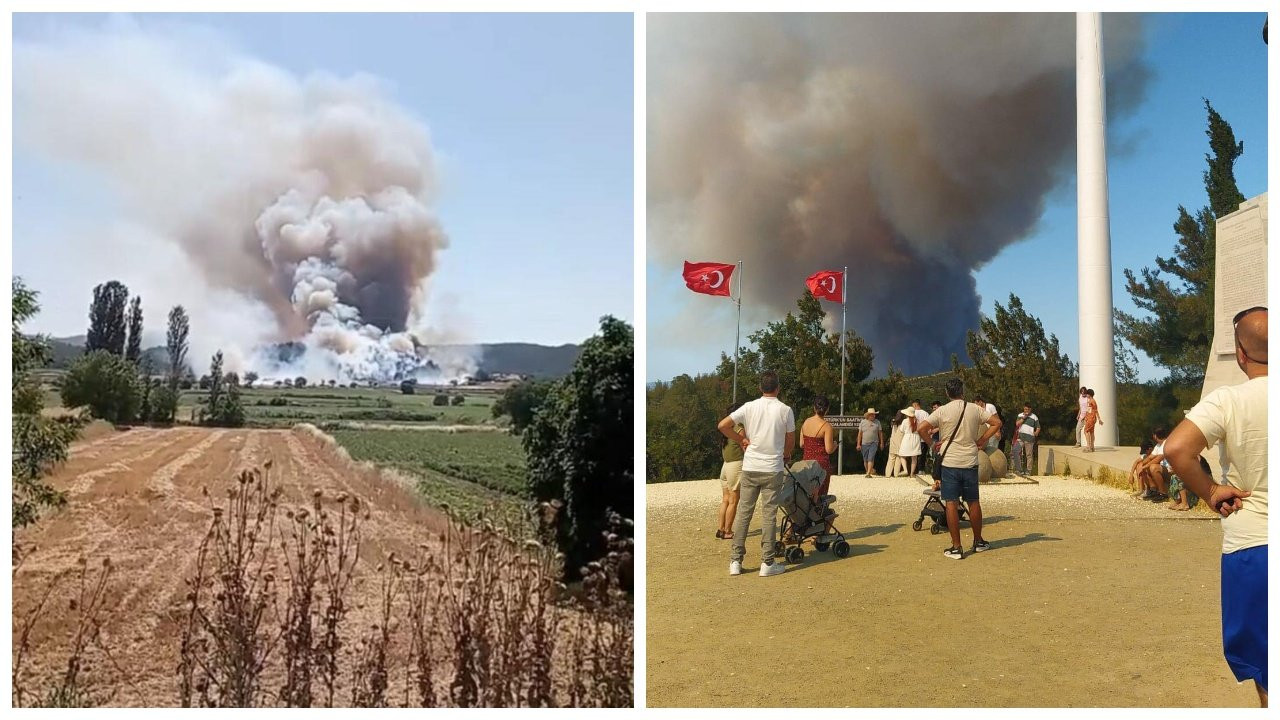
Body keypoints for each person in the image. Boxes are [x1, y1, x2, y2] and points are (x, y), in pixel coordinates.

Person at [1162, 305, 1267, 707]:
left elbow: (1176, 449)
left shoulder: (1227, 400)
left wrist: (1210, 491)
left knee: (1266, 664)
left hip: (1253, 544)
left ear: (1240, 354)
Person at [717, 370, 795, 577]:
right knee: (769, 515)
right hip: (772, 468)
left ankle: (735, 561)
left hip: (750, 466)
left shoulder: (749, 407)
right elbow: (790, 440)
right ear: (778, 388)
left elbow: (723, 426)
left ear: (760, 388)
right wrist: (786, 455)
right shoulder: (785, 410)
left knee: (744, 514)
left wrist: (740, 439)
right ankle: (767, 563)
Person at [918, 378, 1002, 559]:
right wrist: (982, 440)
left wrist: (933, 444)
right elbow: (997, 423)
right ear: (962, 391)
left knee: (951, 503)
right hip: (970, 461)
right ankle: (978, 541)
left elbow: (922, 428)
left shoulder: (942, 411)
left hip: (950, 463)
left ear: (947, 393)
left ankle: (956, 547)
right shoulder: (975, 408)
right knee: (973, 501)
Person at [797, 395, 836, 497]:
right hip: (821, 465)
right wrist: (835, 445)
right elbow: (828, 449)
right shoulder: (827, 426)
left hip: (807, 462)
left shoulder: (806, 422)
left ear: (814, 408)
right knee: (819, 494)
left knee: (807, 493)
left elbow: (801, 444)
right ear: (827, 409)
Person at [716, 402, 744, 540]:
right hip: (736, 465)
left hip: (725, 466)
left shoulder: (726, 430)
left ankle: (720, 528)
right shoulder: (738, 428)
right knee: (733, 500)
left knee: (725, 500)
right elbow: (745, 446)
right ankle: (728, 531)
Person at [856, 408, 884, 477]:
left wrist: (881, 443)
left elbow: (880, 433)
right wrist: (858, 444)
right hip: (864, 443)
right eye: (871, 415)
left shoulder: (877, 422)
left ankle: (868, 473)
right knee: (865, 459)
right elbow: (860, 434)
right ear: (868, 415)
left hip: (874, 443)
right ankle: (869, 471)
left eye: (874, 414)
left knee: (871, 457)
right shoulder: (863, 422)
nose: (873, 416)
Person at [1013, 403, 1040, 475]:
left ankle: (1029, 470)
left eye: (1027, 409)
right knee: (1015, 451)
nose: (1026, 411)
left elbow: (1038, 427)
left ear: (1030, 409)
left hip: (1030, 438)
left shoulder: (1034, 417)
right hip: (1020, 437)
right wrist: (1023, 418)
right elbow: (1017, 424)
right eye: (1025, 409)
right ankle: (1019, 469)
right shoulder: (1020, 415)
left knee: (1029, 455)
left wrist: (1036, 432)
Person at [897, 407, 922, 476]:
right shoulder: (918, 421)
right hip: (916, 438)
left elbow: (901, 430)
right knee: (914, 457)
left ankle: (905, 470)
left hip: (907, 438)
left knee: (902, 455)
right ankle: (911, 473)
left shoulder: (905, 421)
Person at [886, 411, 904, 477]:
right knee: (898, 458)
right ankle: (896, 474)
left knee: (891, 458)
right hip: (900, 443)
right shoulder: (903, 423)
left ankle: (887, 474)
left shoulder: (893, 422)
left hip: (893, 442)